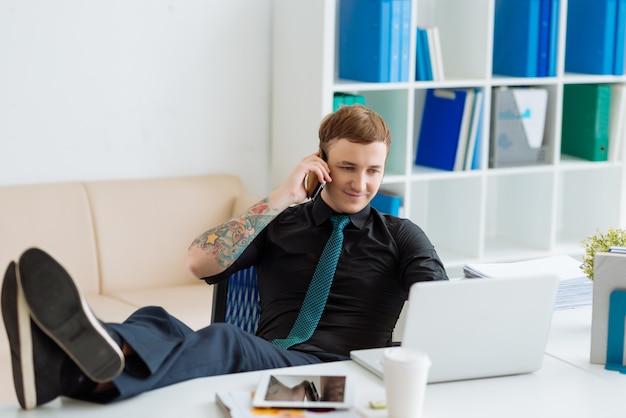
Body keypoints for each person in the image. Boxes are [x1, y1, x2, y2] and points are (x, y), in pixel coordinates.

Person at [1, 104, 448, 410]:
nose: (361, 184)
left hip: (335, 374)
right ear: (321, 162)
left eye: (374, 171)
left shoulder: (401, 236)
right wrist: (279, 198)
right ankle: (63, 370)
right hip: (274, 359)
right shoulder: (279, 221)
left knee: (225, 339)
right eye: (348, 167)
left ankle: (69, 359)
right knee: (155, 318)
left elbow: (440, 305)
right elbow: (198, 261)